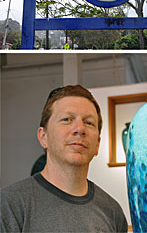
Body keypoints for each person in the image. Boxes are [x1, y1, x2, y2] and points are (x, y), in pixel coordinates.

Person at [1, 85, 128, 232]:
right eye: (67, 119)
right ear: (44, 137)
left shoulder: (112, 211)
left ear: (98, 144)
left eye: (89, 122)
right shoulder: (9, 205)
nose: (80, 129)